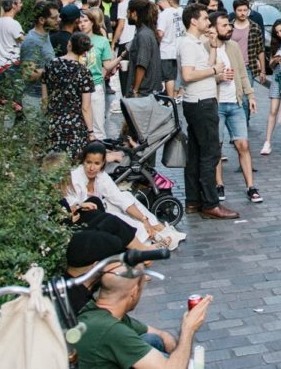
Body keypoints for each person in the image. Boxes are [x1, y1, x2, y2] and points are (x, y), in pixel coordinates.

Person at [72, 259, 209, 369]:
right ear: (133, 292)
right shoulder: (111, 330)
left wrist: (179, 356)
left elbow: (162, 335)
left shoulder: (99, 312)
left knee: (152, 339)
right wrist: (188, 329)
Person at [176, 4, 240, 219]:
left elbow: (205, 66)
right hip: (201, 102)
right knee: (210, 153)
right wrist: (214, 70)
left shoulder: (196, 43)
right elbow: (188, 75)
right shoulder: (187, 44)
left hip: (200, 101)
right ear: (193, 21)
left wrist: (212, 47)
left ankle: (194, 200)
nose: (207, 22)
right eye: (204, 18)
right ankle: (210, 202)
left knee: (195, 152)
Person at [206, 11, 261, 204]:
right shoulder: (205, 47)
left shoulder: (234, 46)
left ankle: (251, 186)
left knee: (242, 145)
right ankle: (219, 184)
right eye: (224, 26)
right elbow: (202, 75)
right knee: (217, 147)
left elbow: (242, 73)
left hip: (236, 102)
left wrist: (250, 95)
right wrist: (218, 78)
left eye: (228, 25)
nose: (229, 28)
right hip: (217, 104)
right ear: (212, 28)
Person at [69, 142, 171, 244]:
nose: (92, 168)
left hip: (100, 212)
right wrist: (80, 205)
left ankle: (155, 226)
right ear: (83, 161)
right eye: (88, 162)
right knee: (116, 217)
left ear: (103, 164)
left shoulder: (101, 175)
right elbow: (70, 204)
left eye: (97, 164)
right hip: (85, 219)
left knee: (125, 196)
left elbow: (119, 198)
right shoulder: (75, 177)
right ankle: (151, 236)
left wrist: (144, 219)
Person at [42, 32, 96, 159]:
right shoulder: (84, 72)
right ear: (84, 52)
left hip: (53, 122)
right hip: (75, 125)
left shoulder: (50, 65)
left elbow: (44, 99)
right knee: (74, 165)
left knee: (53, 163)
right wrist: (91, 132)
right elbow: (86, 107)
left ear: (69, 45)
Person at [79, 9, 119, 141]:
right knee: (81, 124)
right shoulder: (74, 40)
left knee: (98, 125)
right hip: (77, 87)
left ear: (92, 23)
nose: (82, 24)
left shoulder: (101, 41)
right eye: (80, 22)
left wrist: (121, 57)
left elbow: (107, 66)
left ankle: (99, 152)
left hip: (95, 85)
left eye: (85, 21)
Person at [261, 20, 281, 156]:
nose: (280, 34)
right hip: (278, 77)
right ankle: (267, 142)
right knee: (273, 110)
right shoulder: (275, 44)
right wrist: (275, 60)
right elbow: (271, 66)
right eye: (277, 32)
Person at [127, 0, 162, 98]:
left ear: (134, 14)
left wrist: (135, 90)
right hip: (148, 91)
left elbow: (142, 64)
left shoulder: (143, 35)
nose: (127, 15)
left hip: (144, 92)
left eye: (128, 12)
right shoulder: (146, 32)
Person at [230, 0, 265, 87]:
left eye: (245, 10)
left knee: (247, 97)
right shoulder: (229, 27)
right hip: (231, 66)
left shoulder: (255, 27)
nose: (242, 13)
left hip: (248, 67)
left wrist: (263, 71)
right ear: (235, 11)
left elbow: (260, 50)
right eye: (239, 10)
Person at [157, 0, 182, 98]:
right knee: (174, 76)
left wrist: (158, 40)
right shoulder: (177, 12)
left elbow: (160, 33)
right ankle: (173, 97)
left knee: (169, 78)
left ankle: (171, 100)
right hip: (177, 49)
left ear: (159, 3)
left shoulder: (163, 15)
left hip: (166, 51)